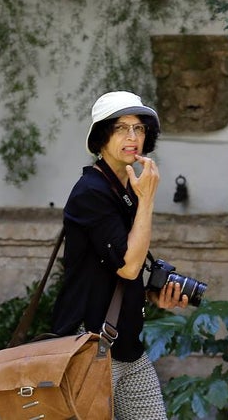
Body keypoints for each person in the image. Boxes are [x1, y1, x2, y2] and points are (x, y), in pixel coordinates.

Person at [52, 90, 189, 420]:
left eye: (139, 128)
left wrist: (153, 294)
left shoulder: (123, 187)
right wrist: (148, 201)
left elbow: (118, 271)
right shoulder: (91, 192)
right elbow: (128, 267)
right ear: (101, 137)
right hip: (89, 346)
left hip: (125, 345)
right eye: (121, 128)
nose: (133, 137)